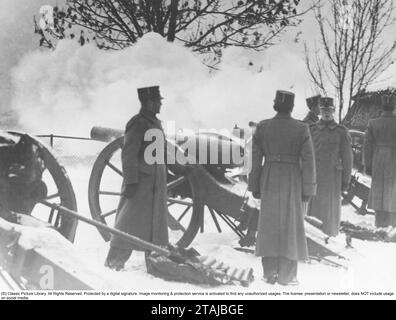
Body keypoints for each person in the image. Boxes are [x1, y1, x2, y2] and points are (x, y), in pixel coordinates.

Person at [248, 90, 317, 285]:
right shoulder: (302, 129)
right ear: (292, 107)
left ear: (275, 105)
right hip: (292, 179)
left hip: (269, 177)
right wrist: (308, 189)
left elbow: (254, 158)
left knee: (269, 224)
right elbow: (309, 161)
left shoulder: (263, 127)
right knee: (291, 225)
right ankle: (288, 276)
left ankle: (269, 273)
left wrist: (254, 184)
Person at [105, 86, 169, 271]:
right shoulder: (138, 123)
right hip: (141, 183)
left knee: (155, 226)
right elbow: (129, 154)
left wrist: (181, 169)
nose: (160, 104)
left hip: (156, 184)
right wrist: (131, 182)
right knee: (129, 223)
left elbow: (161, 153)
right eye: (158, 101)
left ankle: (155, 264)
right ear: (149, 103)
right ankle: (114, 262)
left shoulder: (155, 123)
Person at [307, 97, 353, 237]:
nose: (326, 113)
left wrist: (346, 181)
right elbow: (305, 154)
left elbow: (347, 158)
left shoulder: (341, 131)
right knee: (313, 207)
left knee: (330, 209)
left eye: (329, 110)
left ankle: (330, 235)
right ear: (319, 111)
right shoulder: (311, 129)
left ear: (333, 111)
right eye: (323, 110)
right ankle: (312, 235)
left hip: (332, 178)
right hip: (314, 176)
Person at [364, 94, 396, 228]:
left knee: (379, 192)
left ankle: (379, 225)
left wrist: (368, 166)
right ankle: (392, 227)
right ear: (394, 107)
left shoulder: (373, 123)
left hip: (377, 160)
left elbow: (367, 147)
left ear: (382, 107)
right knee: (393, 194)